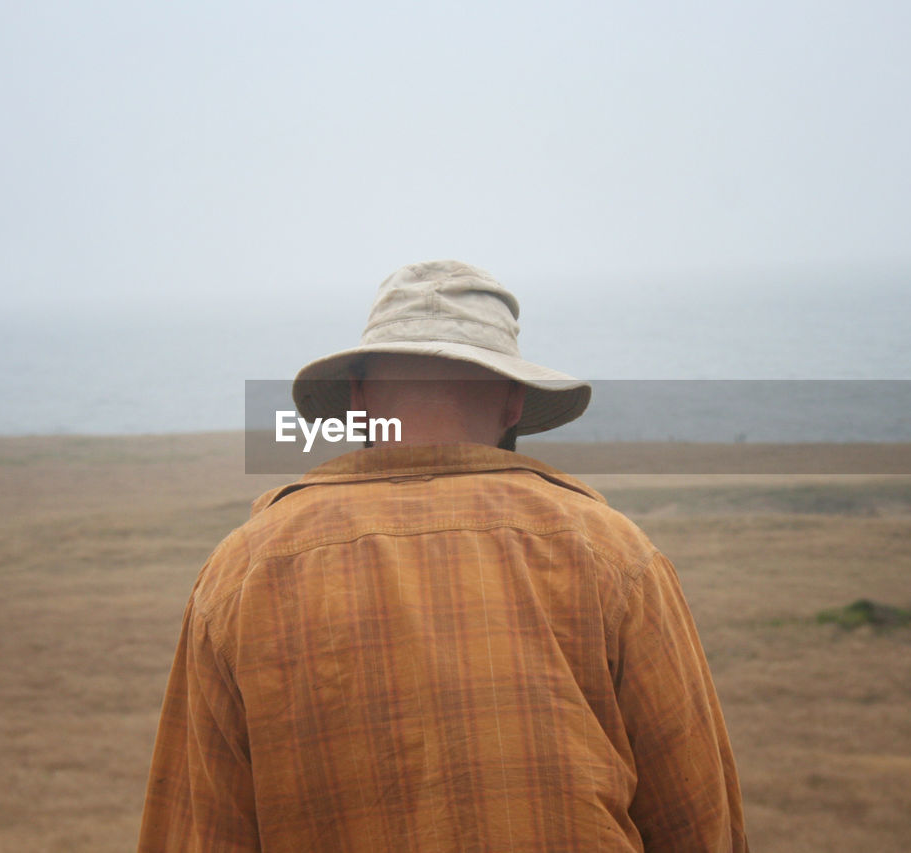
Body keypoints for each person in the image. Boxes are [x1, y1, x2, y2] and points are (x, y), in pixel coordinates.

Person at [139, 260, 747, 851]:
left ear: (355, 396)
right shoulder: (613, 553)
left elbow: (201, 834)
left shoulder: (243, 569)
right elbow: (700, 822)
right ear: (514, 403)